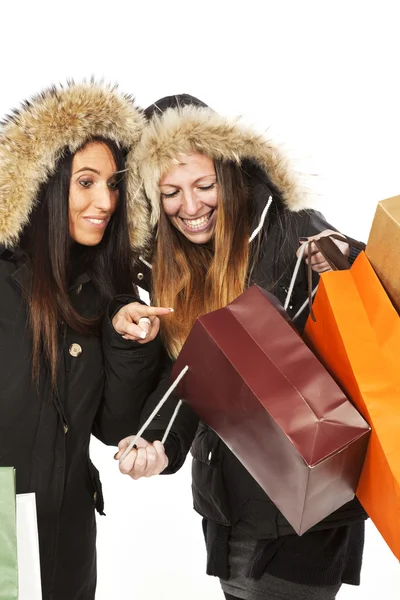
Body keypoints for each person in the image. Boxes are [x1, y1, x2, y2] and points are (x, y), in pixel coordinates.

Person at [116, 94, 367, 600]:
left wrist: (345, 260)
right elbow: (191, 376)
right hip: (228, 506)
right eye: (170, 193)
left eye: (204, 185)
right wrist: (157, 441)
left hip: (309, 503)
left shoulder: (291, 225)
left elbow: (375, 295)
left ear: (228, 172)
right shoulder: (169, 271)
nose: (190, 207)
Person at [0, 82, 171, 600]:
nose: (105, 201)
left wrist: (127, 340)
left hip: (69, 530)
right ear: (47, 185)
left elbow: (114, 427)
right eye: (87, 182)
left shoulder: (104, 293)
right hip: (5, 520)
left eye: (113, 184)